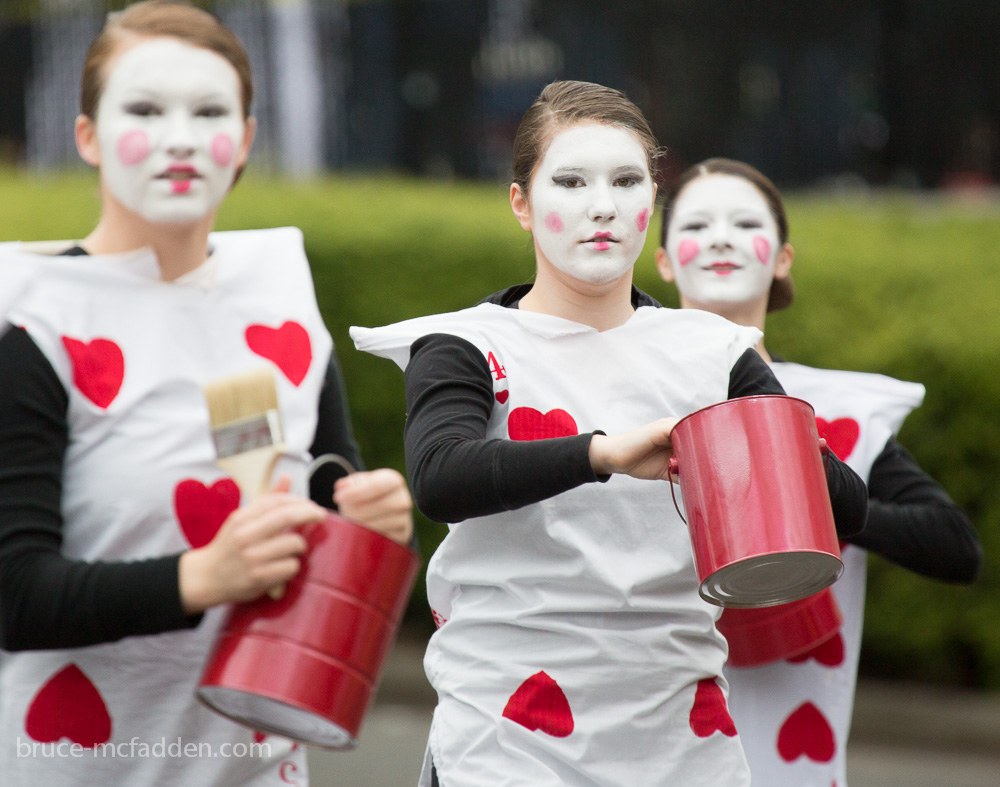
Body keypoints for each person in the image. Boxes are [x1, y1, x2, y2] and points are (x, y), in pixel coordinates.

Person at [351, 81, 867, 787]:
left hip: (682, 742)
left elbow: (848, 508)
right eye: (570, 180)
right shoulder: (466, 343)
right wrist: (603, 453)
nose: (603, 205)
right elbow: (441, 476)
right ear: (521, 204)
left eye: (627, 180)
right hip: (505, 742)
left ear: (650, 202)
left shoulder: (712, 349)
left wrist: (795, 454)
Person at [0, 2, 412, 784]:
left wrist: (361, 521)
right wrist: (200, 577)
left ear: (247, 139)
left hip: (255, 766)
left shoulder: (278, 295)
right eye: (146, 110)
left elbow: (323, 486)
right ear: (86, 135)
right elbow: (15, 594)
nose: (180, 137)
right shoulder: (31, 323)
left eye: (209, 111)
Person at [655, 157, 982, 786]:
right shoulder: (616, 399)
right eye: (698, 222)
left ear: (782, 257)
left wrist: (826, 498)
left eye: (744, 220)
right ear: (665, 260)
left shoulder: (840, 415)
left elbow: (955, 548)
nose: (721, 235)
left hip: (787, 762)